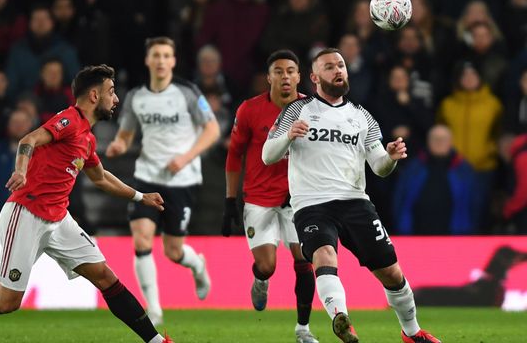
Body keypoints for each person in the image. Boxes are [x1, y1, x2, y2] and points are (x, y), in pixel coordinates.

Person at [0, 65, 173, 343]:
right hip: (26, 213)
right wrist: (21, 170)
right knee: (5, 303)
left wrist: (140, 196)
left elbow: (101, 179)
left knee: (105, 276)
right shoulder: (69, 120)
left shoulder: (88, 139)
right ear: (93, 95)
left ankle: (156, 341)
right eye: (111, 92)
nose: (115, 99)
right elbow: (28, 139)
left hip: (58, 219)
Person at [262, 48, 441, 343]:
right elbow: (268, 156)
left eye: (341, 65)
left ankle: (412, 333)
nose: (338, 71)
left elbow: (380, 168)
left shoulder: (362, 118)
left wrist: (392, 157)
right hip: (312, 205)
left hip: (355, 202)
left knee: (392, 274)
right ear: (314, 77)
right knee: (323, 254)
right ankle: (341, 319)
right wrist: (288, 136)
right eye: (329, 67)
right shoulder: (296, 111)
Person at [106, 36, 219, 326]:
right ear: (148, 60)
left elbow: (212, 130)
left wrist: (186, 156)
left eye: (166, 55)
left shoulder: (188, 93)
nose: (160, 60)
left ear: (173, 61)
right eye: (155, 55)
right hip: (147, 177)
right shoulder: (135, 98)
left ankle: (197, 265)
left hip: (182, 180)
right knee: (142, 240)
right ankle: (154, 309)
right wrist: (119, 144)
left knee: (173, 251)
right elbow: (126, 133)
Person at [223, 49, 318, 343]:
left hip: (298, 200)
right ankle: (260, 280)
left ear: (299, 77)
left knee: (304, 261)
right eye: (279, 71)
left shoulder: (313, 109)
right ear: (269, 78)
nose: (285, 77)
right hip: (259, 198)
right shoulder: (250, 110)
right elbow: (235, 154)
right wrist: (229, 201)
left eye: (291, 71)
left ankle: (303, 329)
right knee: (267, 266)